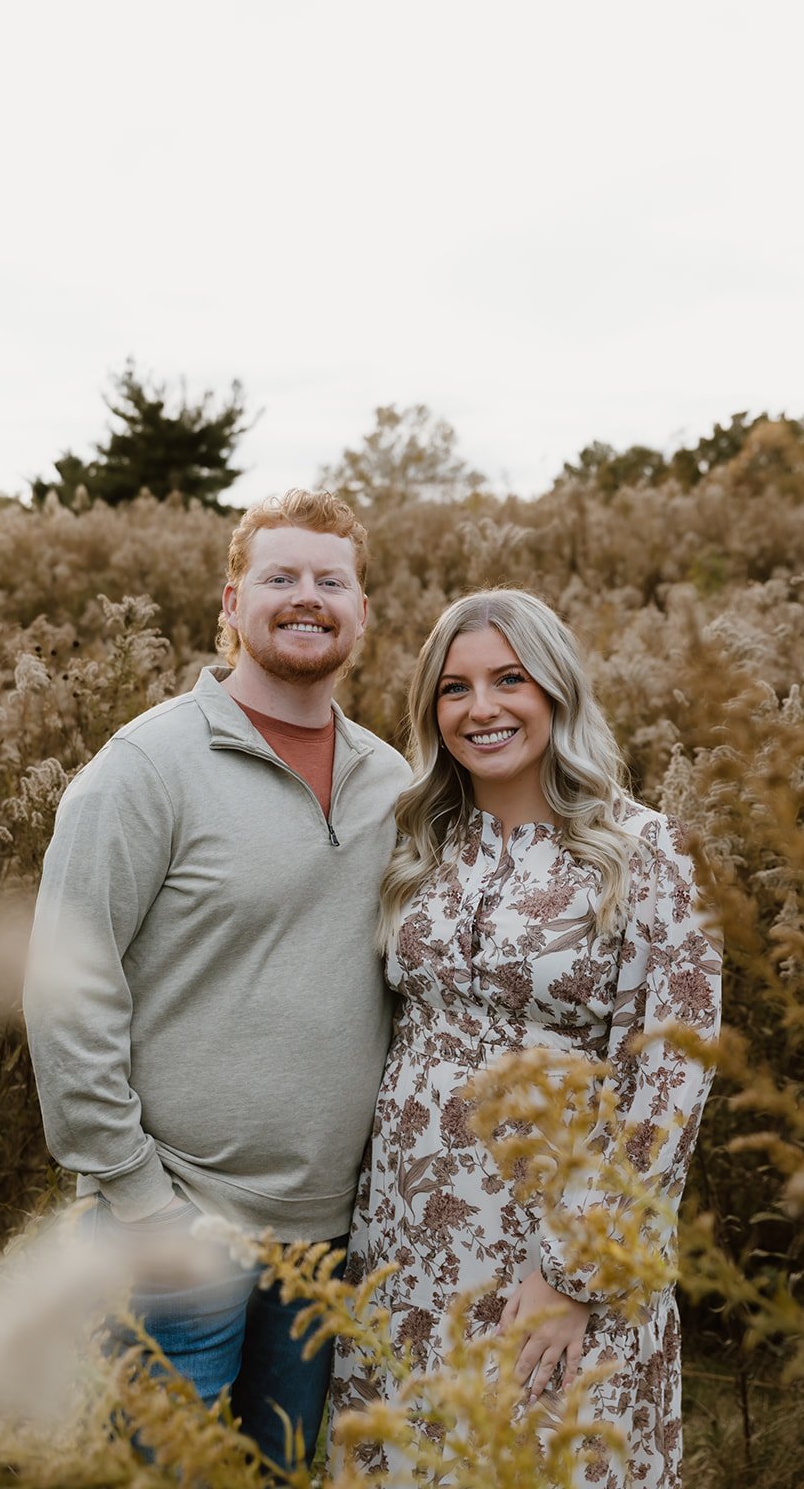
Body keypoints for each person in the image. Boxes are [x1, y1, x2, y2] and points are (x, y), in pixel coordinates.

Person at [23, 488, 409, 1468]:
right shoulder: (144, 769)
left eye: (331, 579)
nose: (306, 596)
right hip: (175, 1226)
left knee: (278, 1467)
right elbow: (66, 986)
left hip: (326, 1235)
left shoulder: (392, 783)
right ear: (231, 603)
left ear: (361, 611)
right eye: (279, 576)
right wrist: (140, 1198)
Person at [330, 589, 722, 1488]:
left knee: (544, 1456)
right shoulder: (417, 841)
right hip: (404, 1237)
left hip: (552, 1243)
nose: (482, 709)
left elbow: (667, 1084)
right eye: (455, 688)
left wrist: (575, 1272)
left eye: (509, 680)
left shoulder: (647, 853)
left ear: (555, 690)